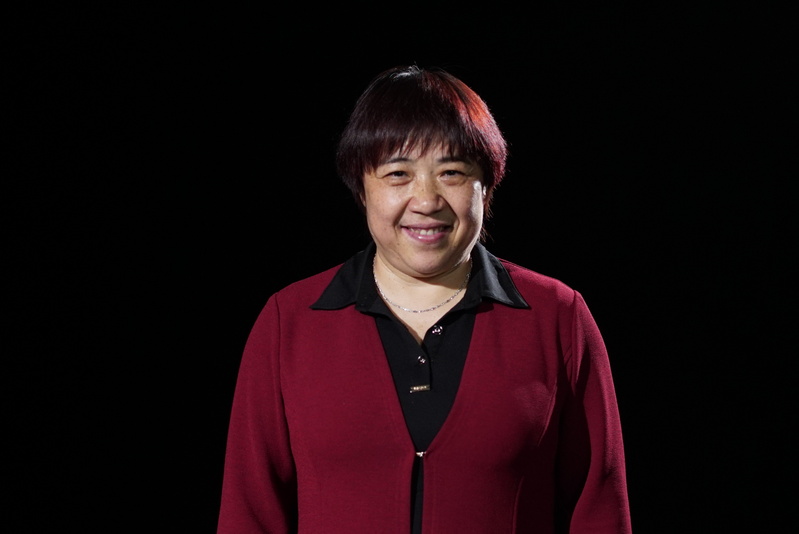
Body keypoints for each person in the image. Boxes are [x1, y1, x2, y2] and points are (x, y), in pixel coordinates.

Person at [216, 65, 632, 533]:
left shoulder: (556, 317)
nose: (427, 200)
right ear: (362, 187)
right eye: (398, 173)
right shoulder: (289, 322)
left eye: (451, 172)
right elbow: (248, 514)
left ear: (486, 185)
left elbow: (600, 510)